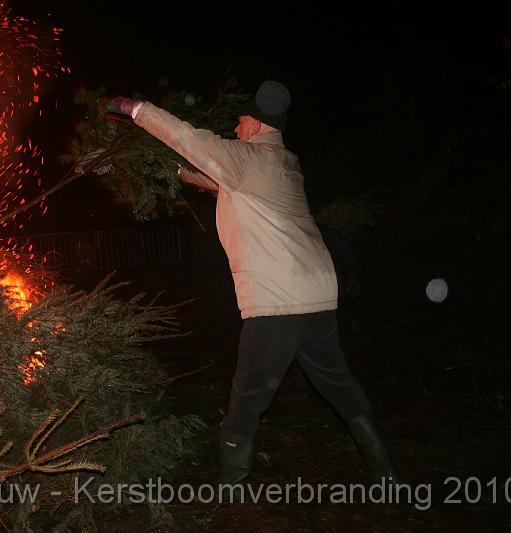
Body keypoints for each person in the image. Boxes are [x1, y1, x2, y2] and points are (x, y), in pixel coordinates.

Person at [106, 80, 398, 484]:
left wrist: (135, 109)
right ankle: (387, 472)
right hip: (319, 296)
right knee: (337, 382)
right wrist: (185, 176)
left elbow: (188, 137)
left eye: (241, 123)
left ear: (257, 126)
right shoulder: (285, 164)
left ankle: (229, 491)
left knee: (248, 397)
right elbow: (234, 182)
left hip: (279, 301)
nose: (236, 129)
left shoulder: (246, 159)